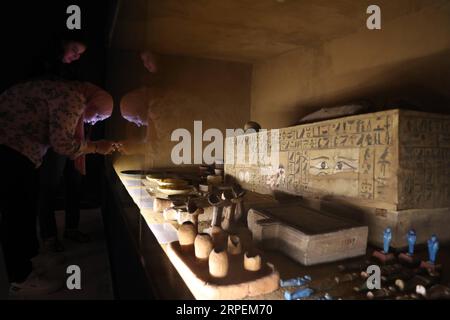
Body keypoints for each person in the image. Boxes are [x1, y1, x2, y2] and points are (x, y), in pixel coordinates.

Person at [0, 79, 115, 296]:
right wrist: (97, 147)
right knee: (16, 214)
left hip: (16, 148)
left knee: (23, 210)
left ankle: (28, 266)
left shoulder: (63, 90)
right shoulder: (72, 98)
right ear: (91, 104)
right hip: (12, 149)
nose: (95, 122)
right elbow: (61, 143)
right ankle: (20, 279)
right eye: (98, 116)